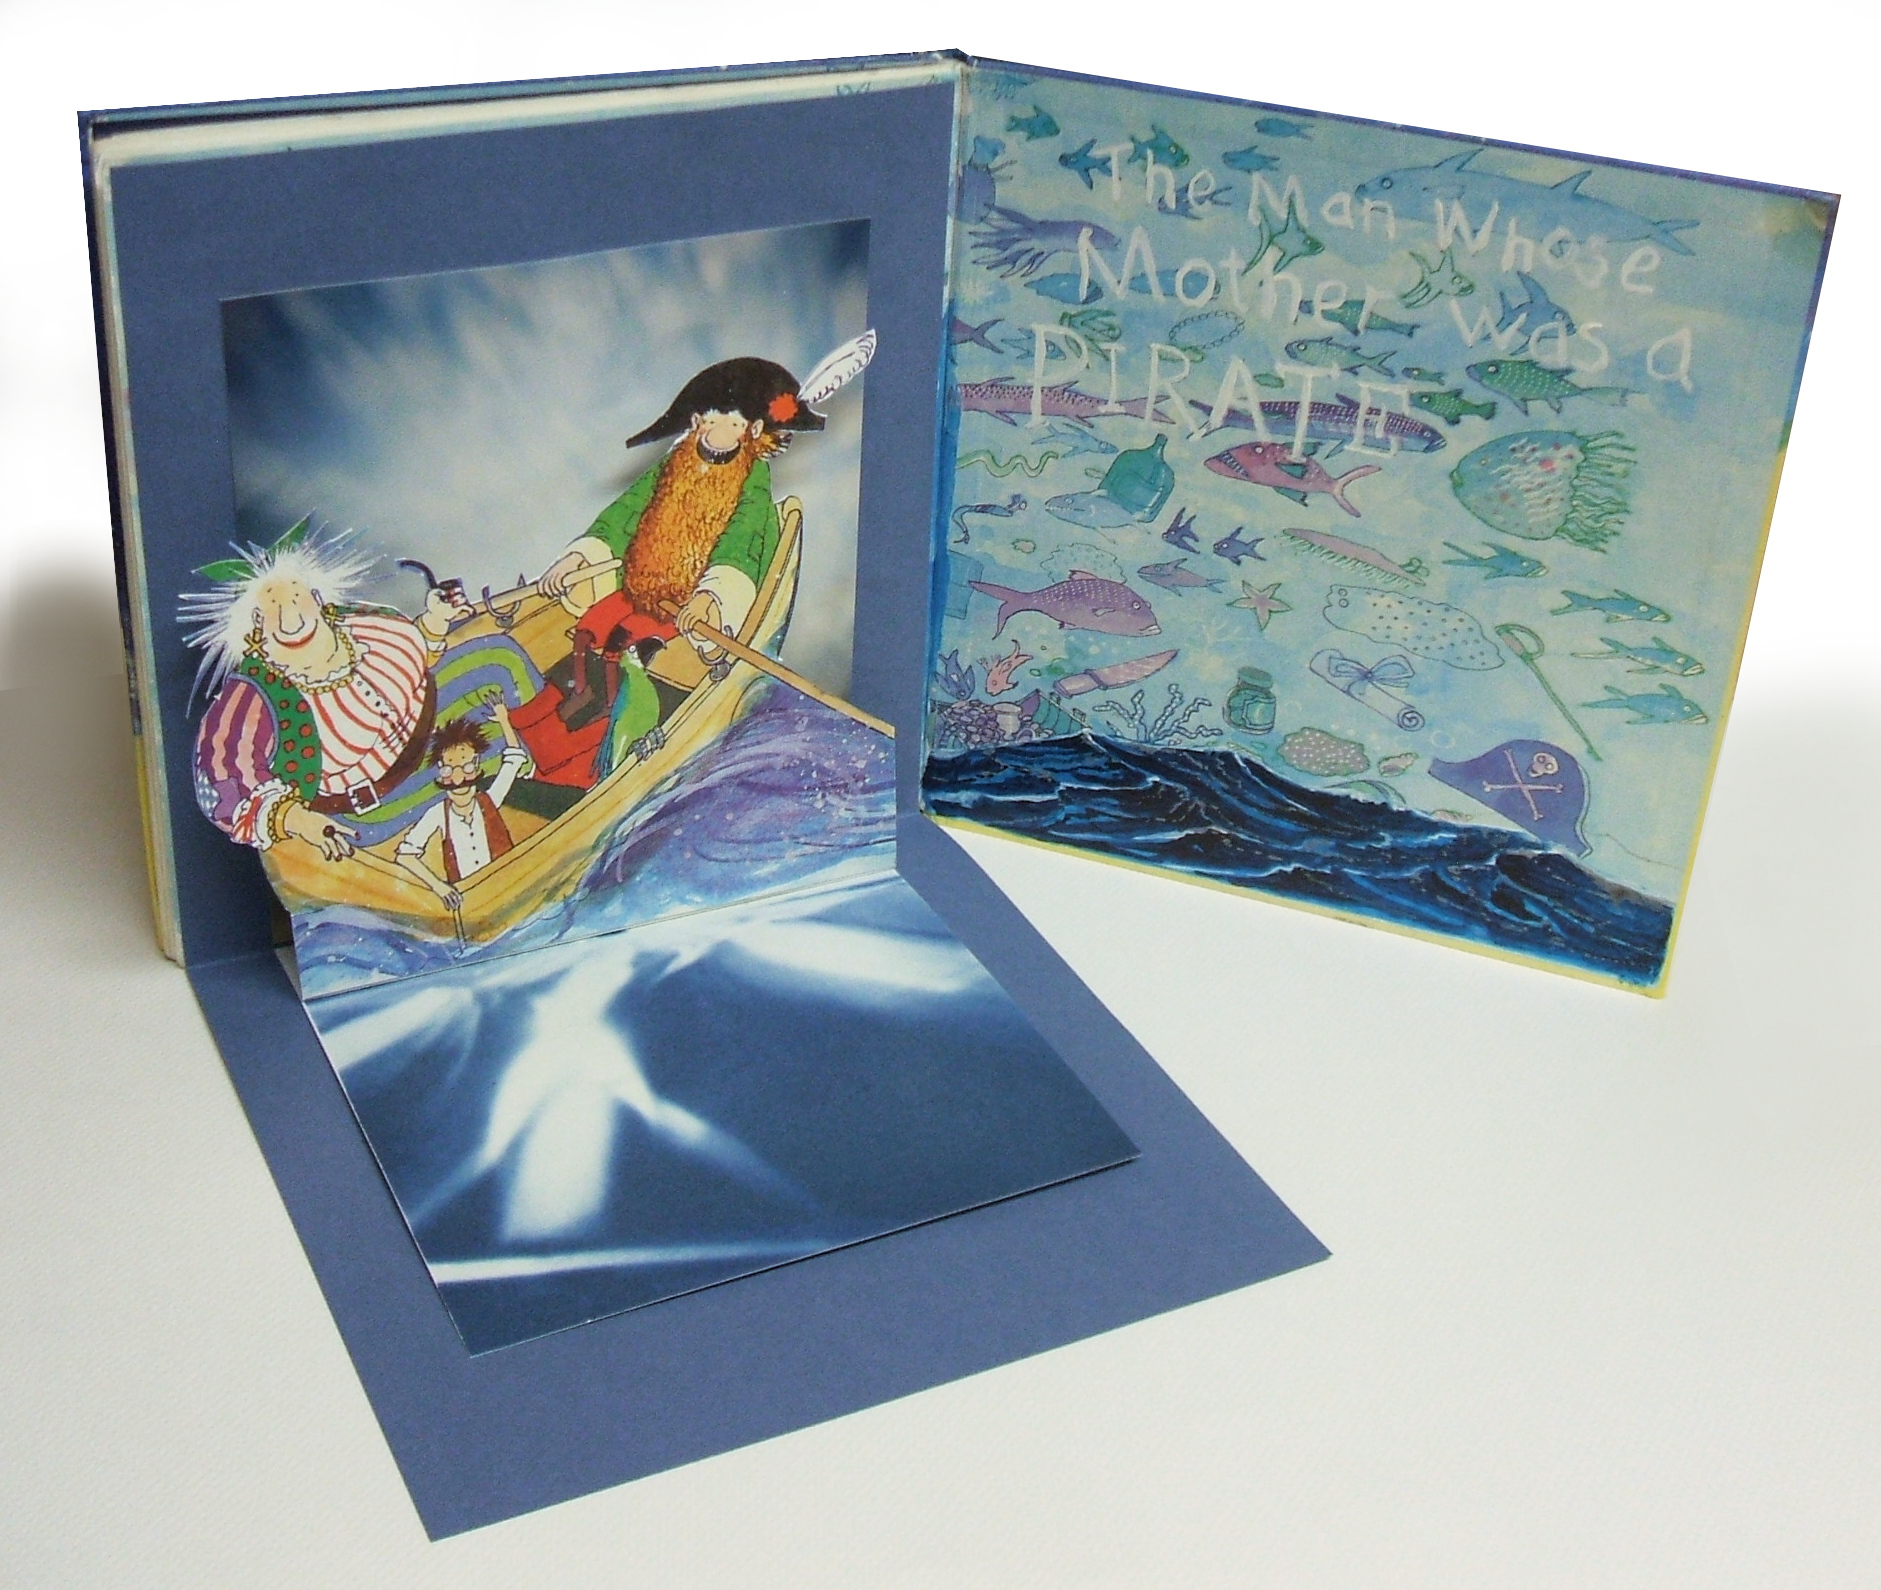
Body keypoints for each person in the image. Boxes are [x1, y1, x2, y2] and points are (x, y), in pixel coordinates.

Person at [511, 334, 875, 786]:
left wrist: (711, 598)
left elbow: (742, 541)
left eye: (730, 419)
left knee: (636, 672)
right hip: (640, 594)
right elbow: (626, 514)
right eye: (709, 416)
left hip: (688, 610)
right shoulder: (671, 465)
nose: (714, 427)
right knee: (586, 639)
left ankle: (599, 763)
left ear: (752, 430)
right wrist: (581, 556)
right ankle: (538, 742)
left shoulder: (751, 482)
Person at [184, 518, 542, 860]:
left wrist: (435, 622)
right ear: (255, 624)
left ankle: (556, 749)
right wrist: (295, 819)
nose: (290, 616)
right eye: (272, 607)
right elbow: (220, 772)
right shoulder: (252, 694)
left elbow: (414, 657)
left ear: (315, 596)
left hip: (432, 717)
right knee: (504, 761)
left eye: (294, 596)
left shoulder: (358, 622)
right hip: (381, 801)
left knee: (500, 656)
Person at [395, 700, 530, 909]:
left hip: (509, 890)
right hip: (471, 903)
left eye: (466, 768)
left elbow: (513, 760)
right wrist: (439, 887)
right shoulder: (437, 814)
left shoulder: (489, 799)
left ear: (476, 766)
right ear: (441, 771)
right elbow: (405, 855)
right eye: (449, 770)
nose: (458, 780)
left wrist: (504, 721)